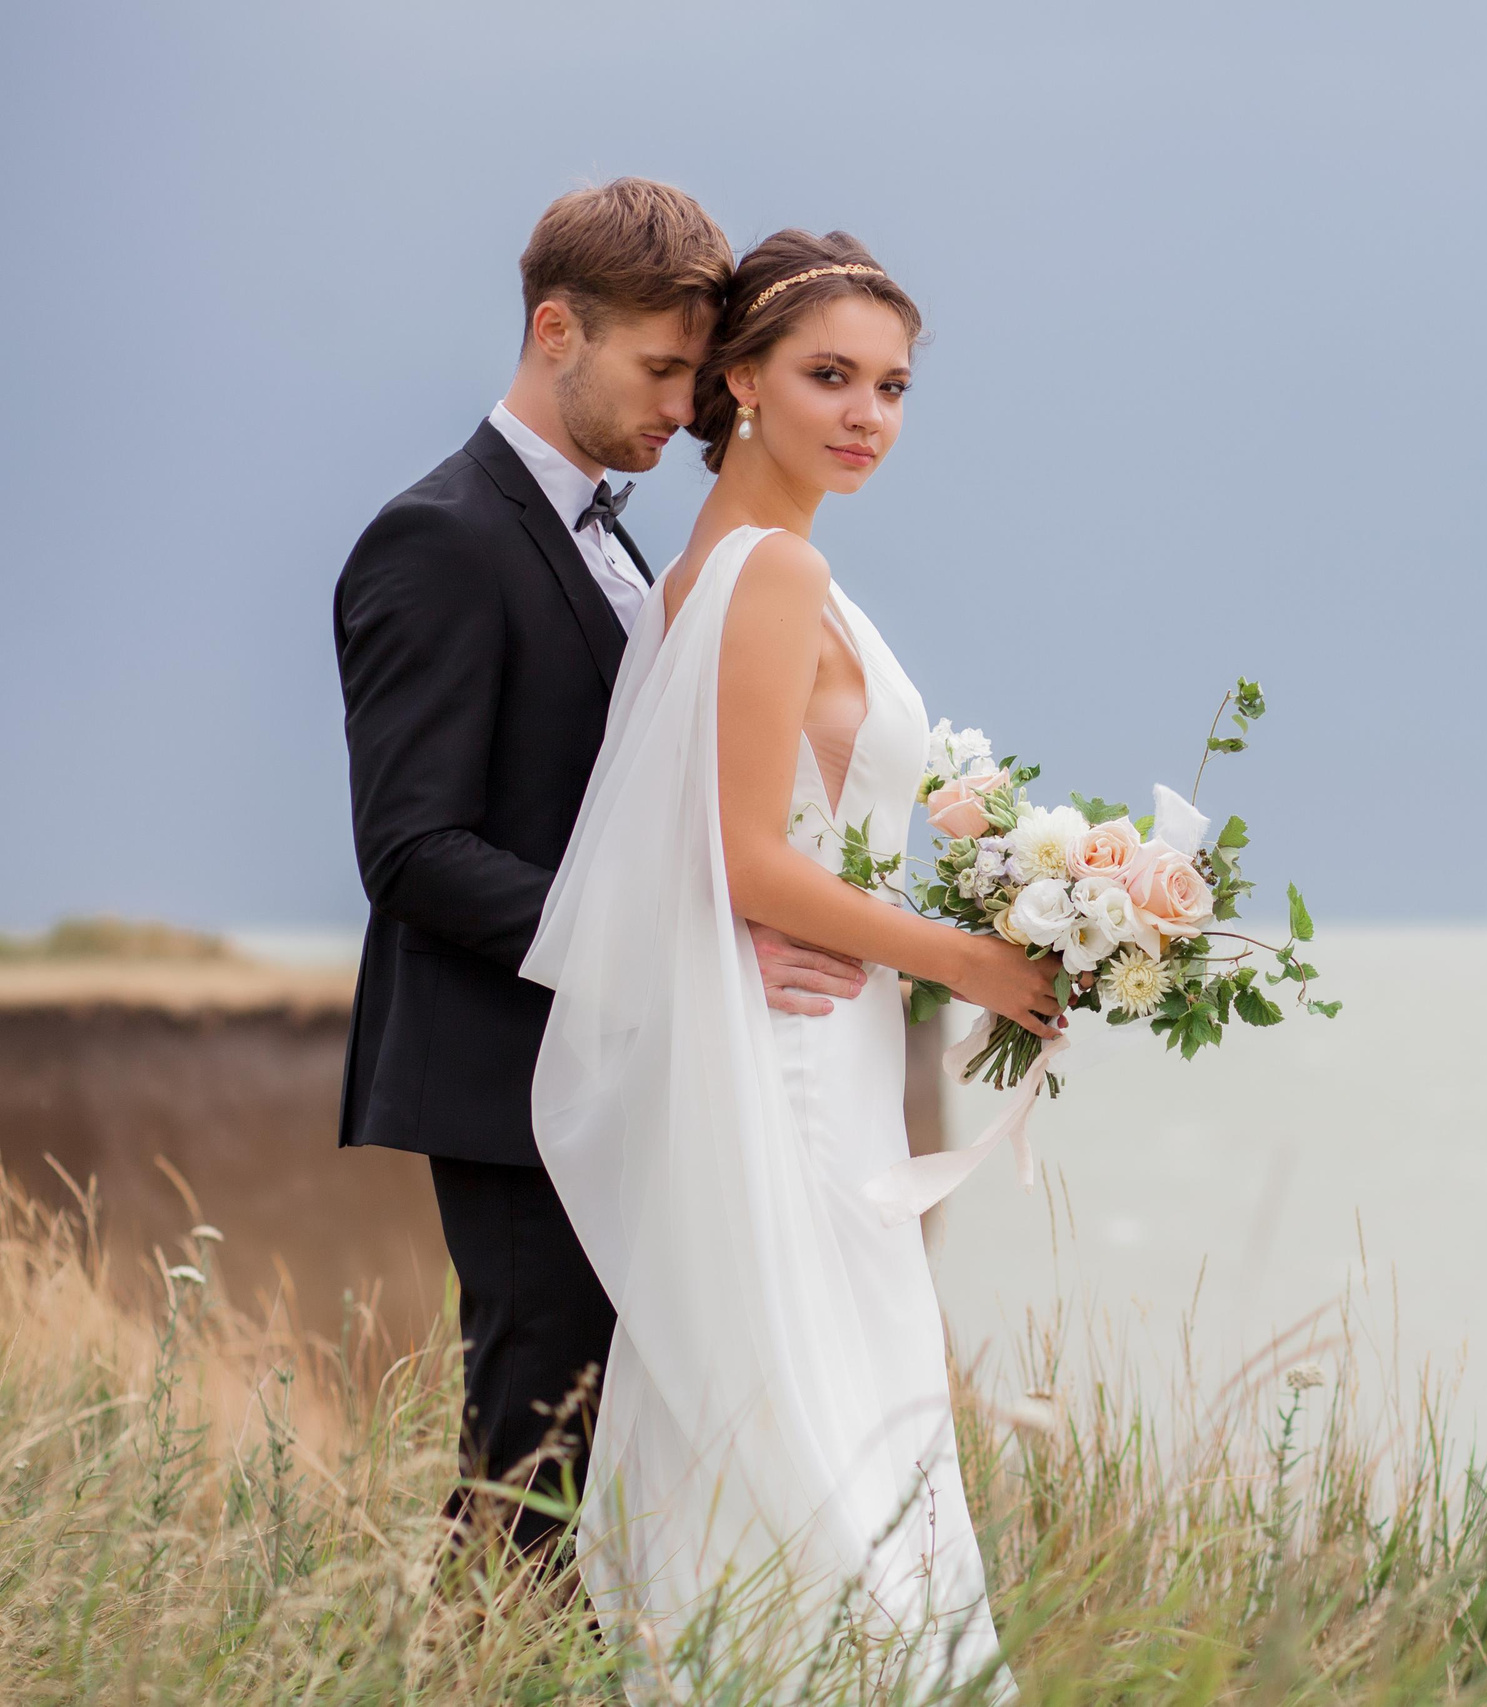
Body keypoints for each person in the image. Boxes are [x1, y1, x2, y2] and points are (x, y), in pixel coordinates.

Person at [522, 228, 1059, 1692]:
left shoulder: (764, 569)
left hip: (824, 1037)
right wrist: (977, 964)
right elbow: (749, 857)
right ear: (740, 381)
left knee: (824, 1401)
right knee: (818, 1417)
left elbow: (796, 851)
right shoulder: (759, 574)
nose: (867, 414)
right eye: (829, 376)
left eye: (891, 386)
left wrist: (1056, 891)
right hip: (790, 1066)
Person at [332, 179, 875, 1554]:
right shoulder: (438, 537)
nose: (686, 409)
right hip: (506, 1074)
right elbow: (414, 849)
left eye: (702, 376)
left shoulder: (622, 535)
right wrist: (677, 941)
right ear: (555, 328)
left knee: (622, 1463)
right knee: (532, 1459)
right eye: (662, 369)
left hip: (635, 1063)